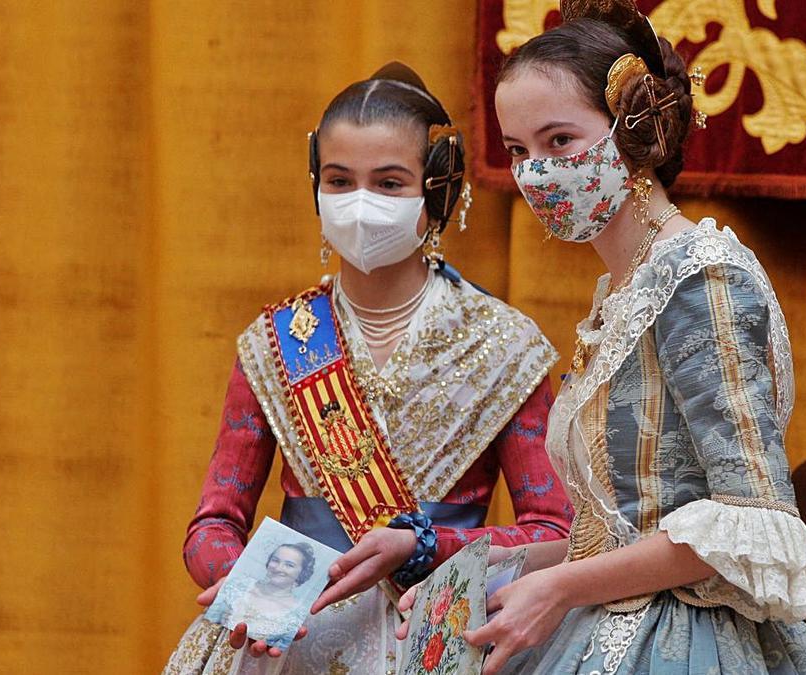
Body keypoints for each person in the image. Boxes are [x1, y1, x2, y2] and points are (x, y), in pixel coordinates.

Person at [397, 2, 806, 673]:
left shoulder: (701, 278)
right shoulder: (625, 290)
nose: (535, 174)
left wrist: (557, 588)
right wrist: (503, 568)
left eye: (559, 142)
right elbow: (627, 528)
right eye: (518, 151)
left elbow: (752, 519)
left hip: (691, 644)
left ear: (633, 132)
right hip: (609, 625)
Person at [163, 62, 572, 675]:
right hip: (287, 643)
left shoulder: (505, 343)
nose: (360, 204)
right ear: (314, 186)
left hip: (436, 637)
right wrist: (242, 585)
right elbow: (213, 522)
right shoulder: (276, 342)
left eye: (388, 183)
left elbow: (555, 533)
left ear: (435, 191)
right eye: (339, 180)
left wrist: (427, 546)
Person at [209, 544, 315, 649]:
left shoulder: (296, 613)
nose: (278, 568)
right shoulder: (238, 586)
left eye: (289, 565)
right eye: (275, 560)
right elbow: (212, 618)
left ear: (302, 572)